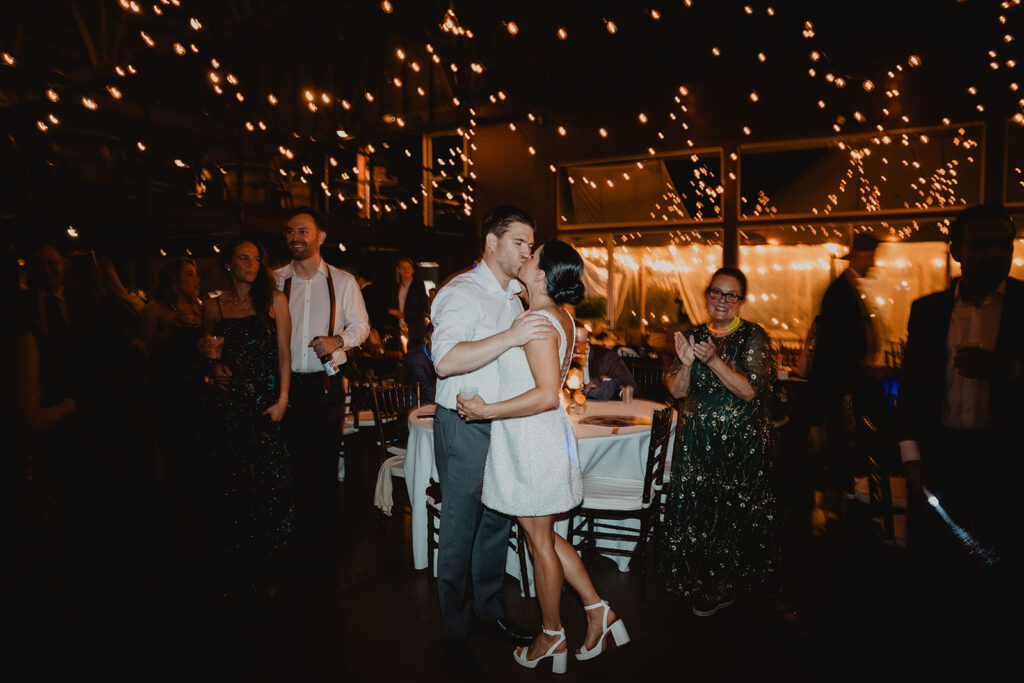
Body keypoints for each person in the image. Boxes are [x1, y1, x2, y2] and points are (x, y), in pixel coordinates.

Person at [458, 240, 630, 674]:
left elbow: (544, 396)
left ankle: (551, 634)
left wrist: (486, 411)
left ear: (541, 274)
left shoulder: (538, 320)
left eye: (531, 256)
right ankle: (597, 611)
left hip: (531, 439)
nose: (524, 255)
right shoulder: (558, 315)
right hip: (534, 439)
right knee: (547, 537)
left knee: (539, 542)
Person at [897, 205, 1023, 673]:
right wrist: (910, 458)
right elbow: (911, 388)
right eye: (981, 244)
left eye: (1002, 245)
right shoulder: (928, 311)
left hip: (1006, 462)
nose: (994, 254)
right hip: (941, 458)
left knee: (1000, 577)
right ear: (956, 250)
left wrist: (1009, 371)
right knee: (935, 574)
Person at [429, 205, 553, 674]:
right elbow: (444, 361)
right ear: (492, 241)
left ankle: (488, 612)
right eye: (519, 242)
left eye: (529, 243)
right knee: (460, 529)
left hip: (501, 421)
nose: (526, 251)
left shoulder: (513, 295)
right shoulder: (461, 292)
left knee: (496, 522)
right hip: (463, 423)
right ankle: (454, 631)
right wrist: (512, 335)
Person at [660, 267, 781, 616]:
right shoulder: (692, 335)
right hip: (698, 440)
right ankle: (701, 577)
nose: (722, 300)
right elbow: (677, 391)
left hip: (739, 444)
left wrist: (712, 360)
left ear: (741, 302)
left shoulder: (754, 336)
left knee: (731, 511)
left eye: (731, 295)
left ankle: (726, 583)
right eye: (717, 292)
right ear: (707, 295)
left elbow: (748, 391)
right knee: (701, 511)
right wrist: (685, 365)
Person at [273, 207, 369, 572]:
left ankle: (324, 547)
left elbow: (361, 326)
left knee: (325, 467)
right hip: (283, 388)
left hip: (325, 387)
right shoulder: (275, 280)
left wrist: (338, 339)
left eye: (302, 230)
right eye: (290, 231)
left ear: (320, 237)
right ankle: (291, 540)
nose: (295, 237)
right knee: (288, 465)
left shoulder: (343, 281)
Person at [200, 236, 293, 594]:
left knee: (269, 482)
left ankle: (271, 566)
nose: (252, 264)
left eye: (256, 259)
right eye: (243, 258)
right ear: (229, 264)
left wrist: (284, 398)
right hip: (228, 405)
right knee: (232, 481)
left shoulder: (275, 301)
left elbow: (284, 354)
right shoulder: (214, 306)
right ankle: (237, 564)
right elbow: (208, 354)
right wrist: (213, 368)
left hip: (266, 402)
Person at [807, 232, 881, 490]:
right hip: (839, 382)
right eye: (871, 256)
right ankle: (843, 490)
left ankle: (844, 486)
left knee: (842, 436)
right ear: (859, 256)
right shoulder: (840, 291)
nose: (873, 263)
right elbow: (835, 344)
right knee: (840, 436)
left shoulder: (846, 288)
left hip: (842, 381)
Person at [581, 335, 638, 401]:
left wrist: (611, 391)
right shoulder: (568, 358)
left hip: (612, 406)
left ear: (586, 342)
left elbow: (631, 388)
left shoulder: (606, 358)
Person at [389, 257, 429, 347]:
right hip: (399, 329)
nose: (406, 270)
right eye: (403, 268)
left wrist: (404, 315)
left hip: (414, 330)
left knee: (413, 358)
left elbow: (424, 308)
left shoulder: (418, 286)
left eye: (408, 268)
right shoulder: (397, 288)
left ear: (413, 270)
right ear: (399, 270)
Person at [402, 324, 436, 403]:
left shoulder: (431, 354)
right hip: (417, 408)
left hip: (430, 403)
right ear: (430, 337)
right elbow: (427, 390)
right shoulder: (416, 359)